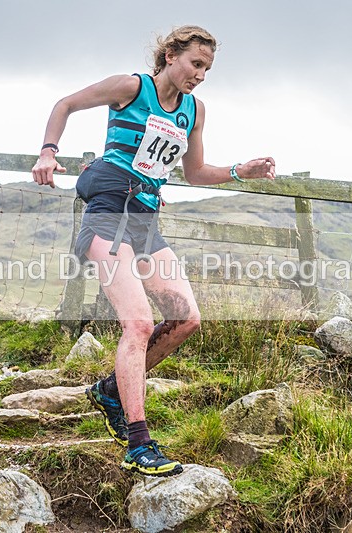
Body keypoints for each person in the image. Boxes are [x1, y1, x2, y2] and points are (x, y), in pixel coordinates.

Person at [32, 25, 275, 477]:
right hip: (107, 212)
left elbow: (197, 171)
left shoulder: (194, 111)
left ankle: (110, 391)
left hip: (145, 220)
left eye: (207, 69)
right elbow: (65, 104)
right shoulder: (131, 87)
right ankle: (139, 444)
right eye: (195, 64)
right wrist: (48, 152)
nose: (200, 75)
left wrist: (242, 170)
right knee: (139, 323)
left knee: (186, 319)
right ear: (170, 55)